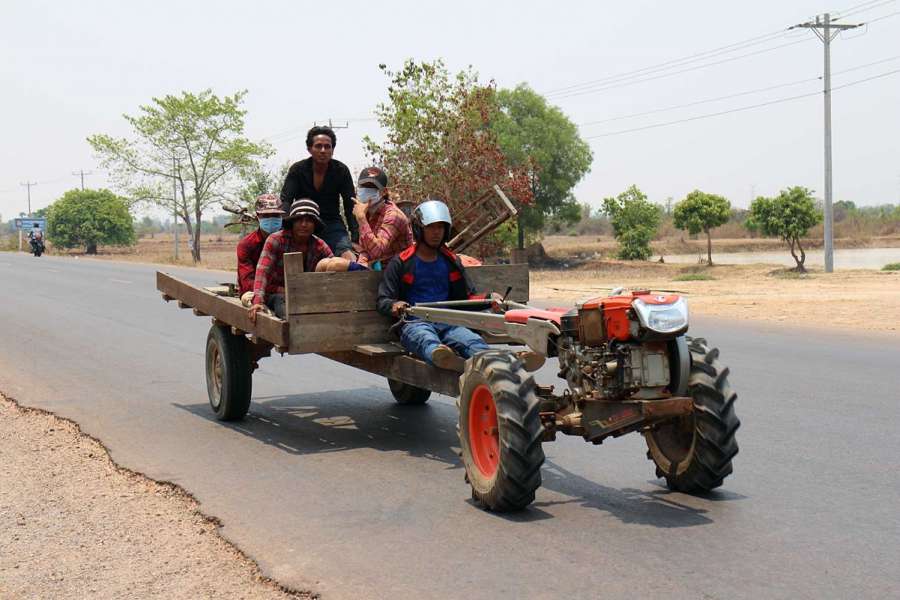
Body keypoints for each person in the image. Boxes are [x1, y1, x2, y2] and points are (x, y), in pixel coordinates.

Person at [376, 199, 492, 371]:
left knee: (474, 343)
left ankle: (499, 362)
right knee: (428, 342)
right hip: (414, 323)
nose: (436, 232)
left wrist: (490, 299)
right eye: (430, 227)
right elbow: (383, 300)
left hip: (449, 323)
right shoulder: (401, 262)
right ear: (419, 229)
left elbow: (467, 298)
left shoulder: (452, 261)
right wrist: (395, 305)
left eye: (440, 227)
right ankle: (446, 359)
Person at [248, 199, 333, 323]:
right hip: (275, 294)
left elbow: (333, 268)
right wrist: (257, 301)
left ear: (315, 224)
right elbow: (262, 271)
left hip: (306, 295)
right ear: (292, 222)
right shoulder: (276, 240)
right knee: (286, 306)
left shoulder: (320, 246)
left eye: (309, 220)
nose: (304, 224)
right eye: (299, 220)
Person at [279, 126, 357, 260]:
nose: (323, 151)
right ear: (310, 149)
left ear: (332, 150)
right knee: (291, 258)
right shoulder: (297, 170)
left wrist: (356, 237)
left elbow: (350, 206)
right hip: (303, 221)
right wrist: (285, 229)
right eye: (318, 146)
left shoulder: (341, 171)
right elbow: (286, 201)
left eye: (328, 147)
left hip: (331, 223)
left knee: (348, 257)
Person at [315, 166, 413, 272]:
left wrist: (361, 218)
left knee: (335, 265)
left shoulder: (393, 215)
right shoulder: (368, 212)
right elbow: (365, 249)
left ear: (383, 192)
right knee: (322, 264)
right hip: (375, 266)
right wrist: (361, 264)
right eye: (363, 186)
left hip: (395, 271)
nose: (366, 191)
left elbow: (376, 252)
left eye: (372, 187)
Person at [236, 194, 285, 304]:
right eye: (267, 216)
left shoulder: (289, 241)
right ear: (258, 217)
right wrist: (277, 289)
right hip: (256, 293)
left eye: (276, 215)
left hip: (288, 293)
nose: (271, 219)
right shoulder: (246, 245)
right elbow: (248, 283)